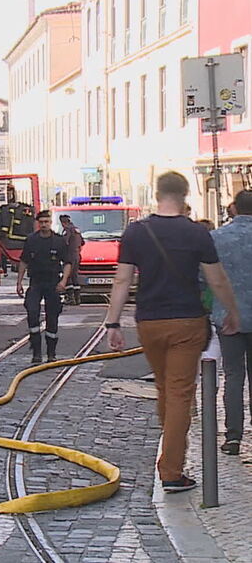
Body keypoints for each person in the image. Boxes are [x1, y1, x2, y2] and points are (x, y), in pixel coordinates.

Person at [106, 171, 240, 493]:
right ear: (185, 195)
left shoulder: (136, 232)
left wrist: (112, 323)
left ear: (156, 194)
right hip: (186, 321)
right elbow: (217, 279)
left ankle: (171, 456)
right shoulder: (196, 234)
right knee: (180, 393)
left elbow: (122, 280)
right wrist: (232, 312)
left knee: (166, 390)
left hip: (149, 322)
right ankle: (171, 470)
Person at [210, 190, 252, 456]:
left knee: (233, 376)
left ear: (234, 208)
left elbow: (203, 278)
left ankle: (233, 436)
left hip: (229, 318)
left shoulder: (216, 238)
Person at [16, 210, 72, 364]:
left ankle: (51, 353)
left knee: (52, 317)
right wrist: (19, 282)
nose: (44, 225)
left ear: (50, 223)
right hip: (36, 282)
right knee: (32, 312)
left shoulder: (59, 241)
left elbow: (67, 263)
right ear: (37, 223)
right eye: (41, 222)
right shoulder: (31, 240)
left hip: (53, 283)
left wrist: (63, 282)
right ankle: (36, 352)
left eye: (46, 222)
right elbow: (24, 261)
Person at [59, 214, 83, 305]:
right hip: (77, 255)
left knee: (67, 276)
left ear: (63, 222)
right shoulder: (77, 230)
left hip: (69, 256)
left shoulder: (67, 230)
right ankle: (78, 298)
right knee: (75, 277)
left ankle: (70, 298)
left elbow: (64, 242)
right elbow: (82, 242)